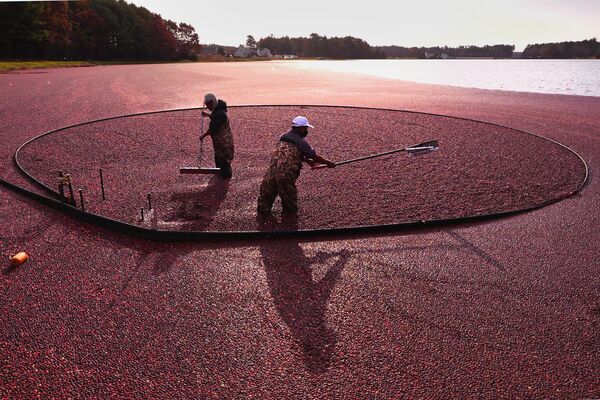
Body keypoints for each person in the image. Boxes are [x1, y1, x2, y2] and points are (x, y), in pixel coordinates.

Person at [257, 116, 336, 215]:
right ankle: (289, 226)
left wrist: (307, 161)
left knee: (265, 201)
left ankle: (263, 225)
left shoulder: (283, 137)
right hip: (285, 175)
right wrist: (329, 163)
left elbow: (290, 153)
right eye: (306, 128)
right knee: (289, 205)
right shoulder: (301, 141)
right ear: (301, 128)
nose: (307, 131)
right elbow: (315, 157)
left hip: (271, 174)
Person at [199, 93, 234, 179]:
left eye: (209, 105)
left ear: (213, 102)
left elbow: (213, 128)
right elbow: (215, 116)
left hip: (224, 143)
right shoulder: (218, 109)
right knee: (218, 159)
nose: (208, 107)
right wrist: (208, 115)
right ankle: (220, 173)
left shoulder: (220, 114)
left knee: (224, 162)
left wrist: (203, 135)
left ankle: (225, 180)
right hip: (220, 142)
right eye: (206, 105)